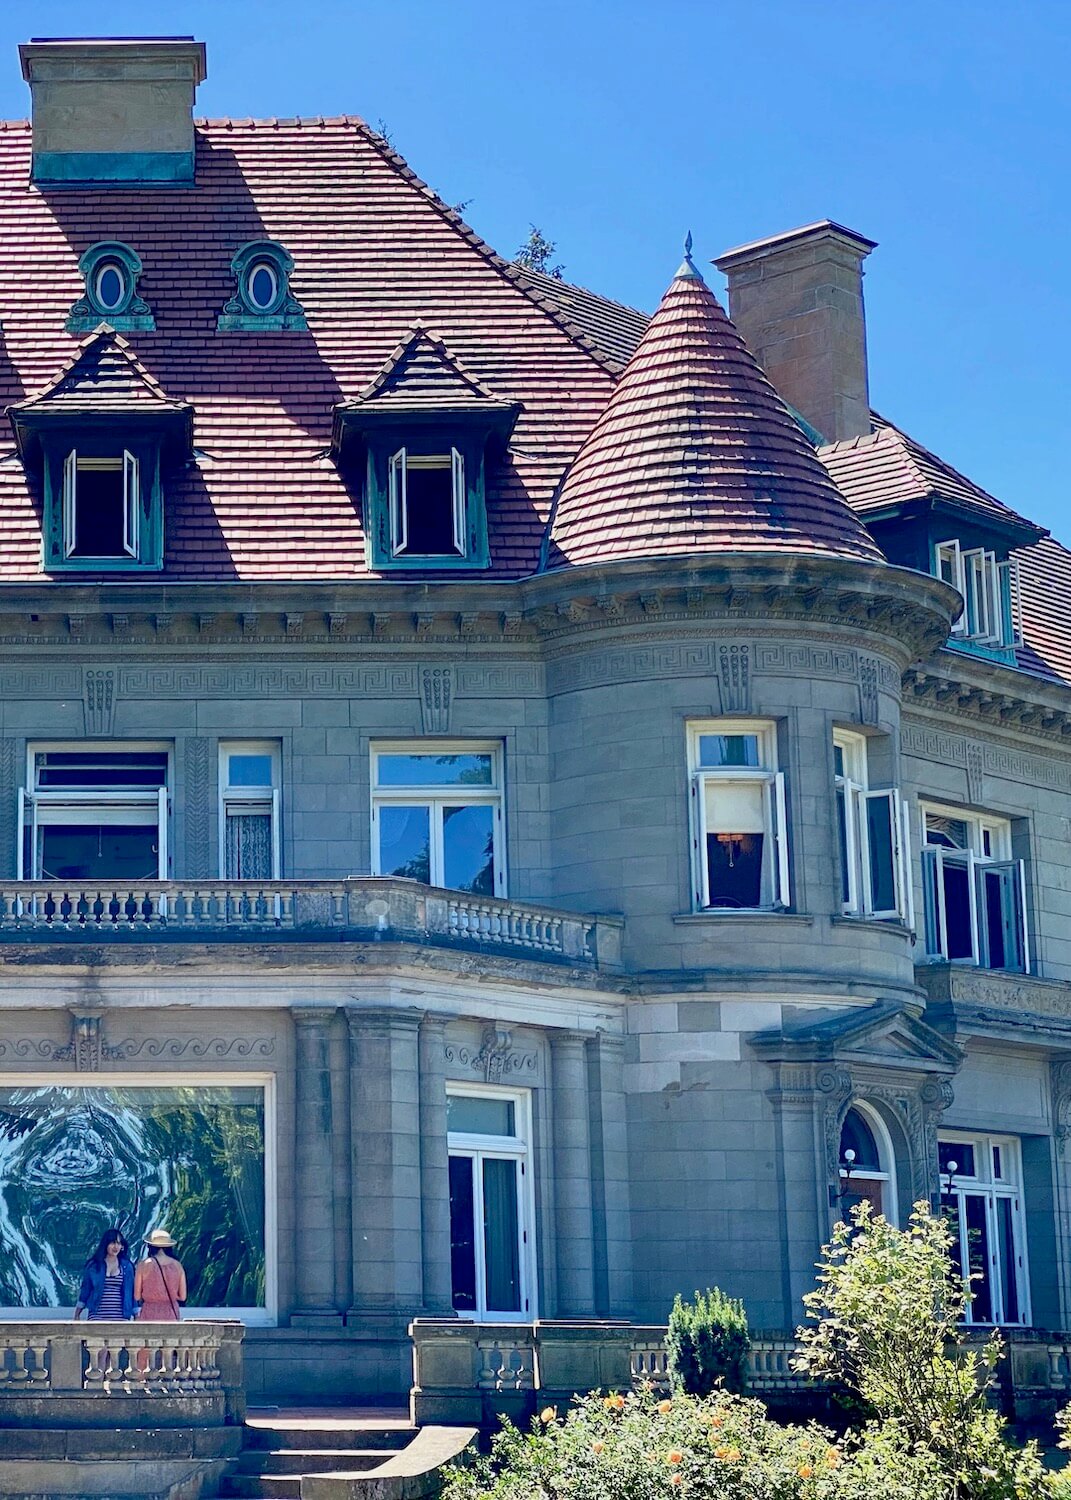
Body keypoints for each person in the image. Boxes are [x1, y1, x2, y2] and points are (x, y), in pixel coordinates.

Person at [73, 1227, 136, 1320]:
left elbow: (131, 1292)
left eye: (118, 1243)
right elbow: (85, 1289)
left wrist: (136, 1314)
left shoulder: (127, 1266)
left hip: (120, 1316)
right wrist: (77, 1313)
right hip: (97, 1315)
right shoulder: (94, 1266)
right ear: (105, 1244)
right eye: (112, 1243)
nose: (116, 1247)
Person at [134, 1229, 187, 1321]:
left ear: (150, 1246)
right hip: (171, 1312)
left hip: (149, 1312)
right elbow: (183, 1297)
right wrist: (169, 1295)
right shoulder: (177, 1265)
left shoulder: (143, 1265)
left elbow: (137, 1296)